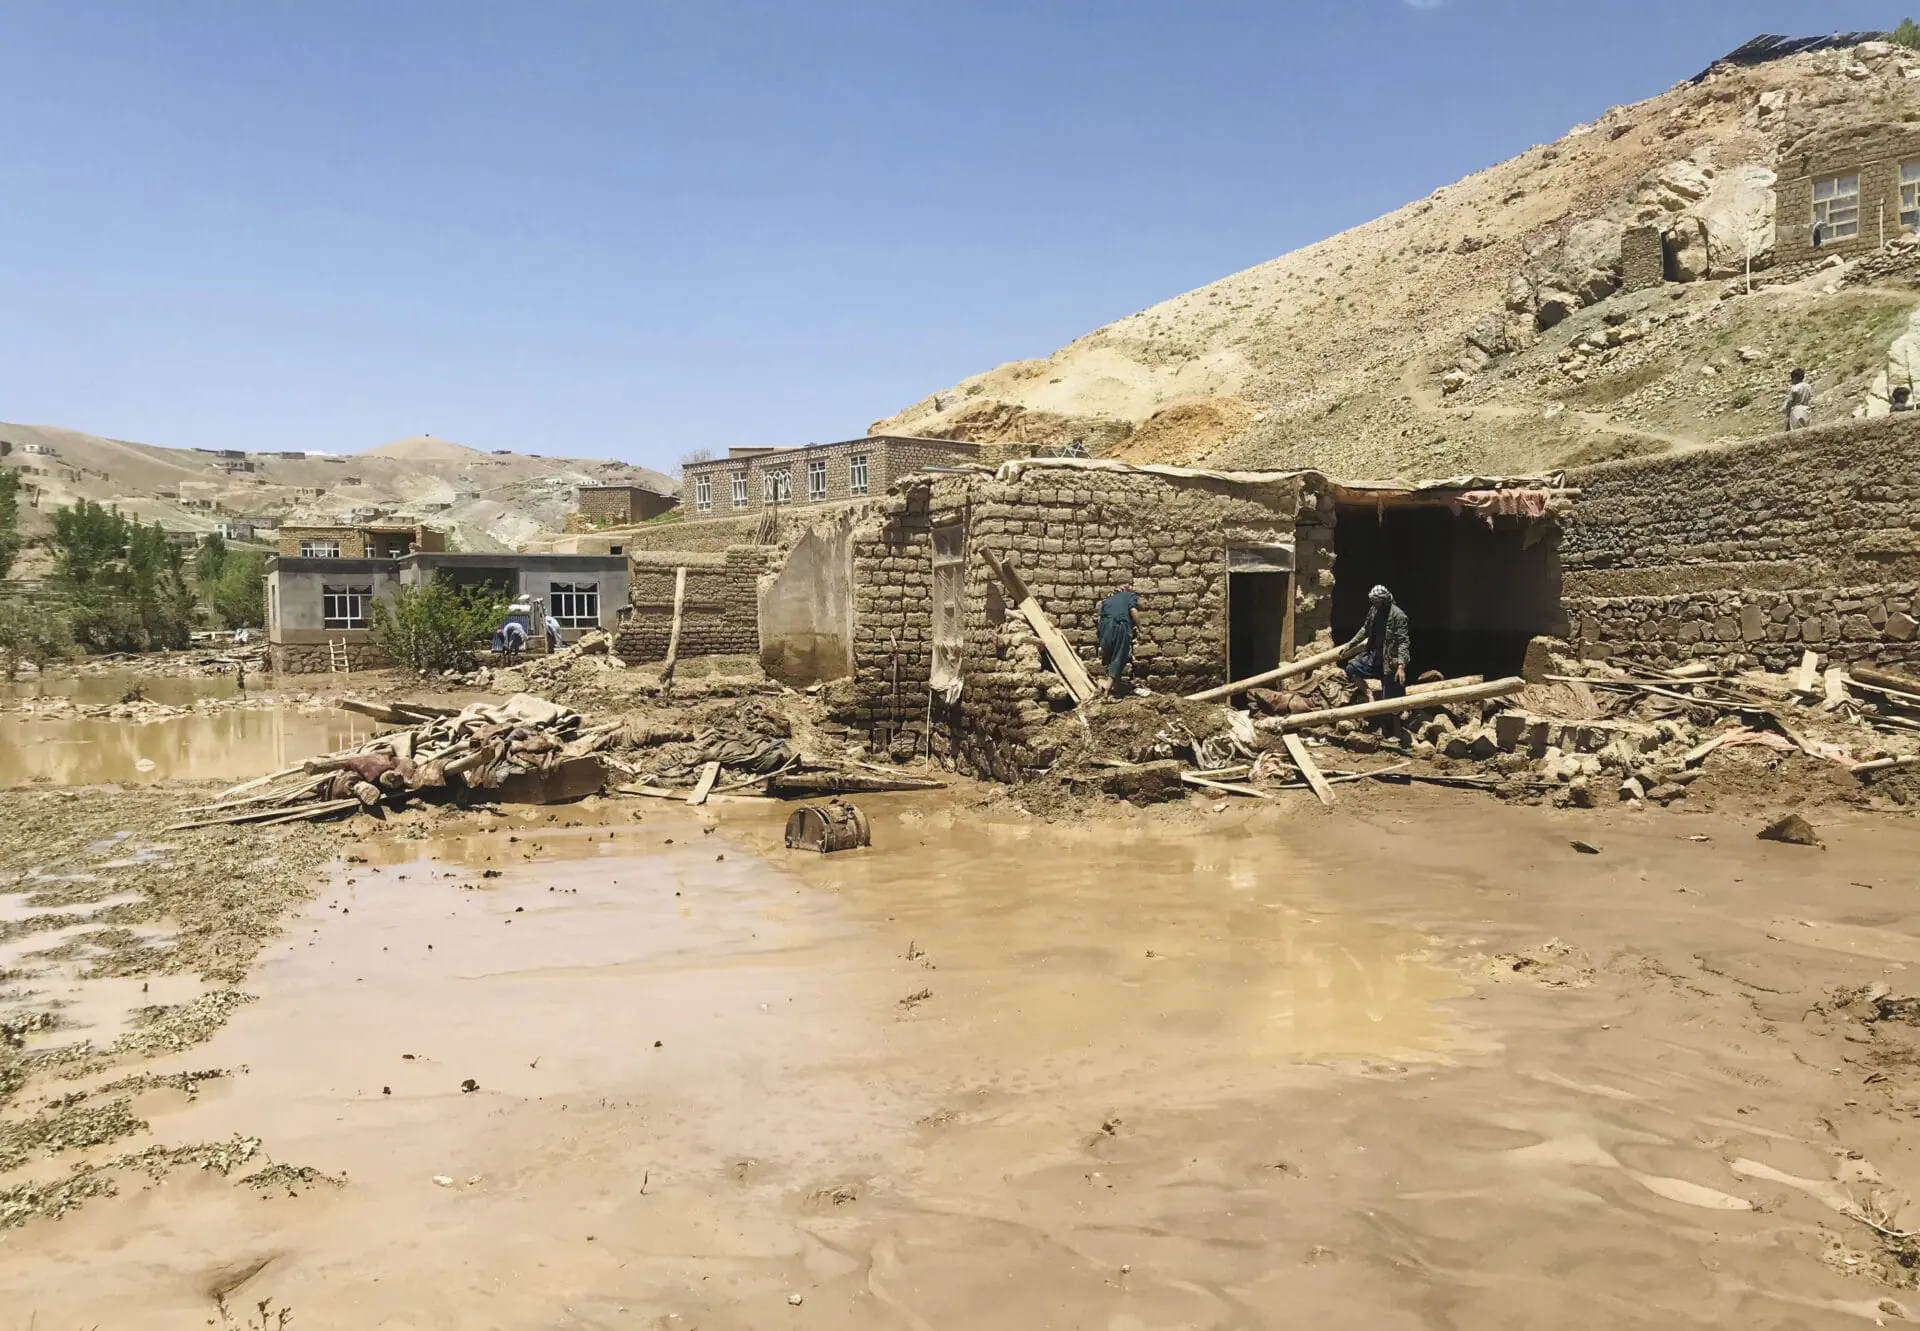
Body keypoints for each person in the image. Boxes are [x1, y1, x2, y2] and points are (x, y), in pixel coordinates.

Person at [1340, 584, 1411, 700]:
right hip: (1374, 657)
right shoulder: (1374, 610)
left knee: (1391, 698)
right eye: (1373, 602)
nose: (1374, 604)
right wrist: (1350, 644)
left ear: (1384, 600)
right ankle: (1369, 695)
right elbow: (1365, 629)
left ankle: (1394, 715)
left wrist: (1401, 666)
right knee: (1351, 669)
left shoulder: (1398, 616)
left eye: (1377, 602)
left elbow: (1403, 642)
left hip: (1389, 661)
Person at [1097, 581, 1140, 694]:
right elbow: (1133, 610)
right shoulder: (1129, 595)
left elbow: (1100, 618)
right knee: (1119, 656)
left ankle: (1115, 686)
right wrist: (1141, 628)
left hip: (1105, 627)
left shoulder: (1108, 600)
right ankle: (1107, 692)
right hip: (1119, 625)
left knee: (1110, 656)